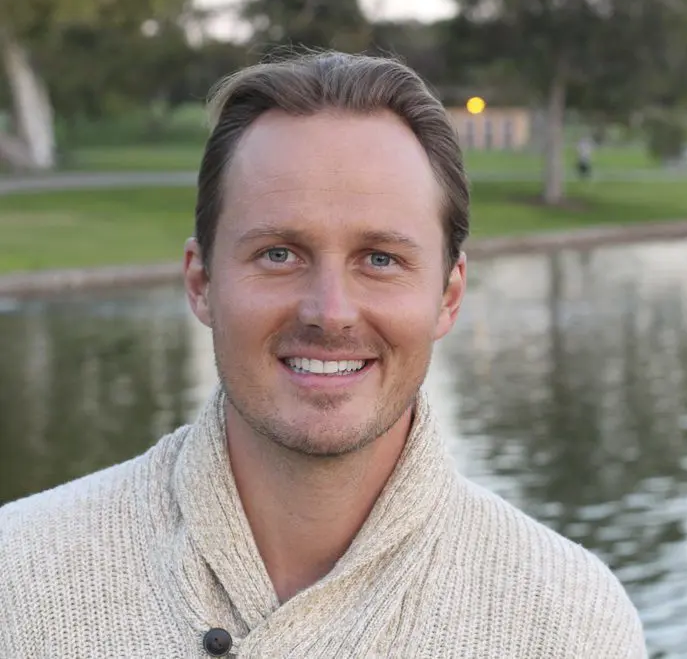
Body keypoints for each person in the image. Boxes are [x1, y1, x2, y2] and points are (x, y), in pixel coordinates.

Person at [0, 52, 645, 658]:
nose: (329, 311)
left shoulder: (568, 621)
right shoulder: (20, 581)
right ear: (201, 282)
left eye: (381, 259)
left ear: (448, 296)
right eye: (279, 254)